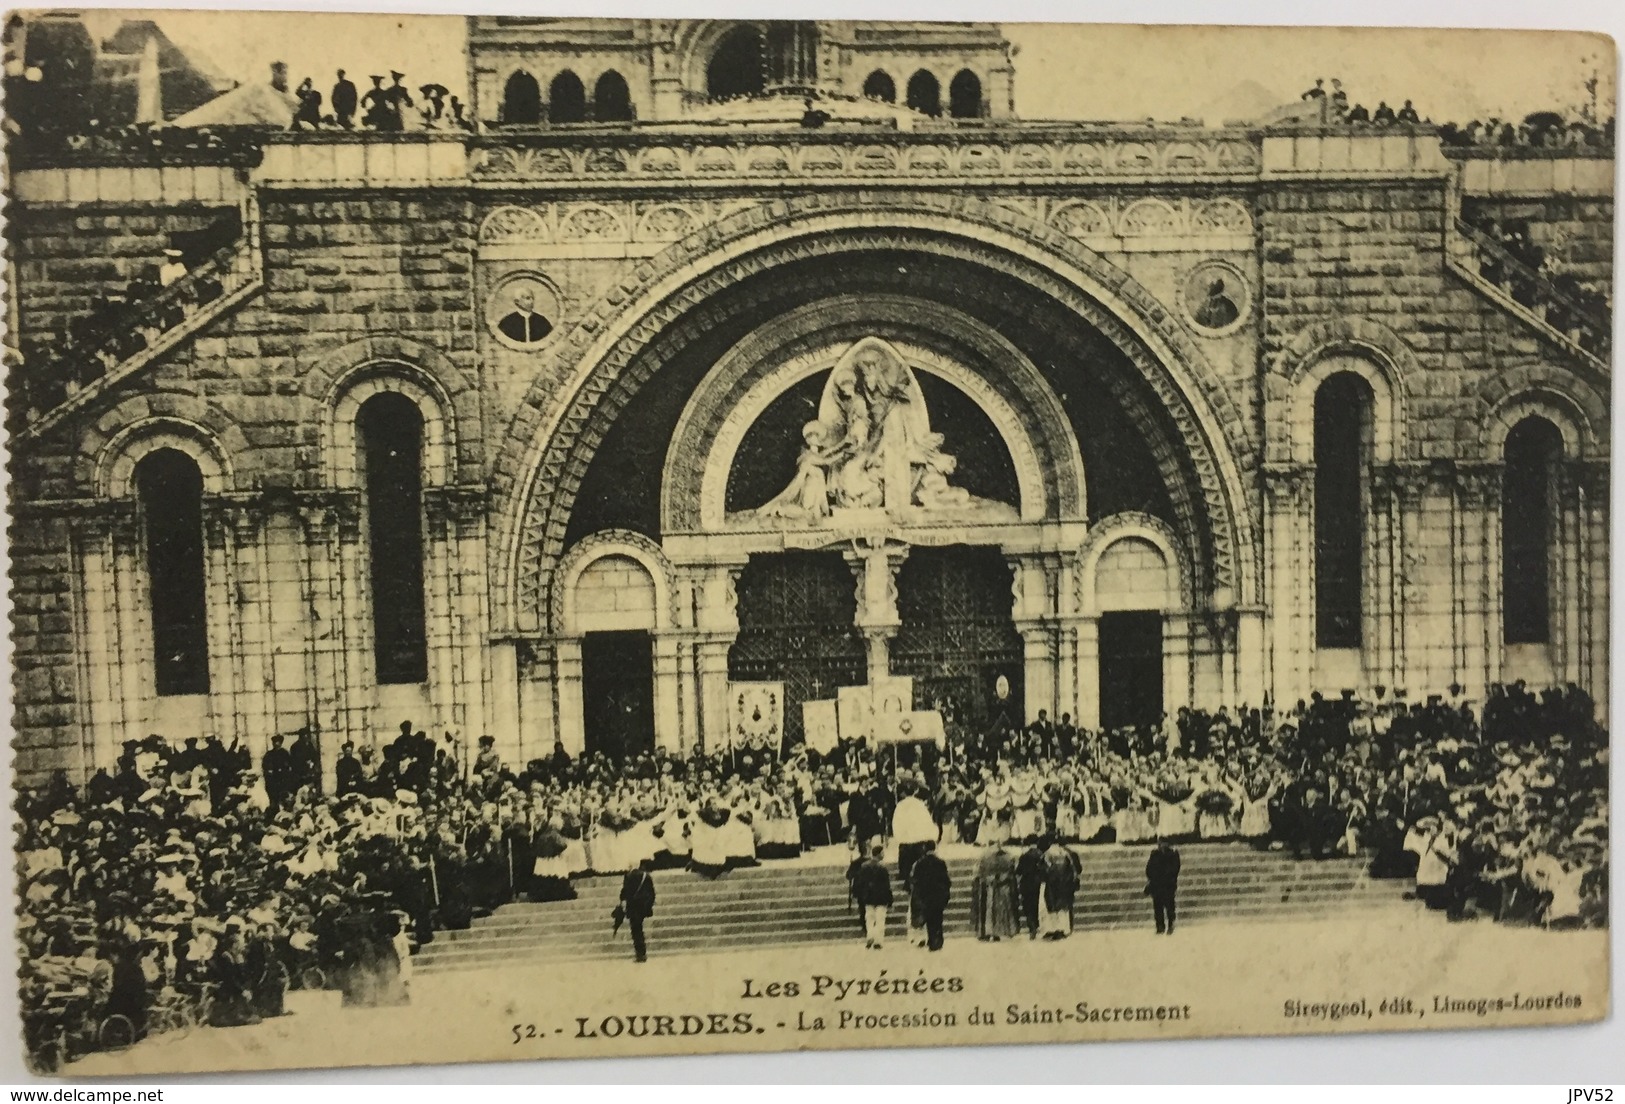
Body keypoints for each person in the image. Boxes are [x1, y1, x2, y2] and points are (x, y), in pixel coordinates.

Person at [891, 784, 937, 888]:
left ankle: (907, 882)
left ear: (903, 793)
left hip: (906, 840)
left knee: (907, 864)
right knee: (918, 864)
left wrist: (899, 836)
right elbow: (926, 821)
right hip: (919, 839)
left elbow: (897, 822)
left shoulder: (901, 805)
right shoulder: (920, 804)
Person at [849, 842, 893, 950]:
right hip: (881, 897)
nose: (883, 854)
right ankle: (878, 940)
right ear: (878, 854)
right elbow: (887, 885)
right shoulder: (882, 868)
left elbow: (860, 883)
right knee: (880, 919)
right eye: (882, 853)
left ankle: (870, 936)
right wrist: (890, 899)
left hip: (868, 897)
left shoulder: (864, 867)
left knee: (869, 918)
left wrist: (861, 894)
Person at [970, 844, 1019, 940]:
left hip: (990, 888)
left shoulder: (985, 859)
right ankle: (1002, 931)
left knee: (991, 911)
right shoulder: (1008, 858)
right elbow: (1011, 873)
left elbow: (980, 874)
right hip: (1002, 887)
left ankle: (990, 932)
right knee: (1002, 911)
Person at [910, 841, 951, 951]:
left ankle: (931, 940)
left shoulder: (920, 863)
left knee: (929, 919)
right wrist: (945, 894)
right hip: (938, 896)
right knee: (938, 919)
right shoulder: (940, 863)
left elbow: (916, 881)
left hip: (925, 896)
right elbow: (946, 880)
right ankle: (937, 941)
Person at [1039, 837, 1080, 940]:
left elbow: (1042, 868)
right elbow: (1075, 870)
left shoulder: (1047, 854)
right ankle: (1062, 929)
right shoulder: (1066, 854)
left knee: (1051, 908)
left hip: (1051, 884)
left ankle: (1052, 929)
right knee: (1063, 909)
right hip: (1064, 884)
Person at [618, 860, 656, 963]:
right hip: (643, 907)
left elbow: (624, 892)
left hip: (633, 907)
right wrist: (648, 906)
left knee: (636, 931)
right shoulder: (646, 876)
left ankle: (640, 953)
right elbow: (652, 893)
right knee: (639, 929)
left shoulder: (628, 876)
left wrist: (623, 903)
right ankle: (642, 953)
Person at [1145, 837, 1181, 935]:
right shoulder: (1155, 854)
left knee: (1169, 907)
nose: (1162, 845)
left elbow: (1175, 869)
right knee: (1158, 908)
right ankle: (1160, 926)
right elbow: (1149, 869)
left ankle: (1170, 925)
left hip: (1168, 885)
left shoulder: (1173, 854)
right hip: (1157, 885)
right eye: (1161, 843)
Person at [1016, 837, 1045, 939]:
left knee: (1027, 906)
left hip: (1026, 884)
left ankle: (1031, 926)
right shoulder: (1041, 855)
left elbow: (1018, 871)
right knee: (1036, 904)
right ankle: (1036, 925)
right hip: (1037, 883)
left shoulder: (1024, 856)